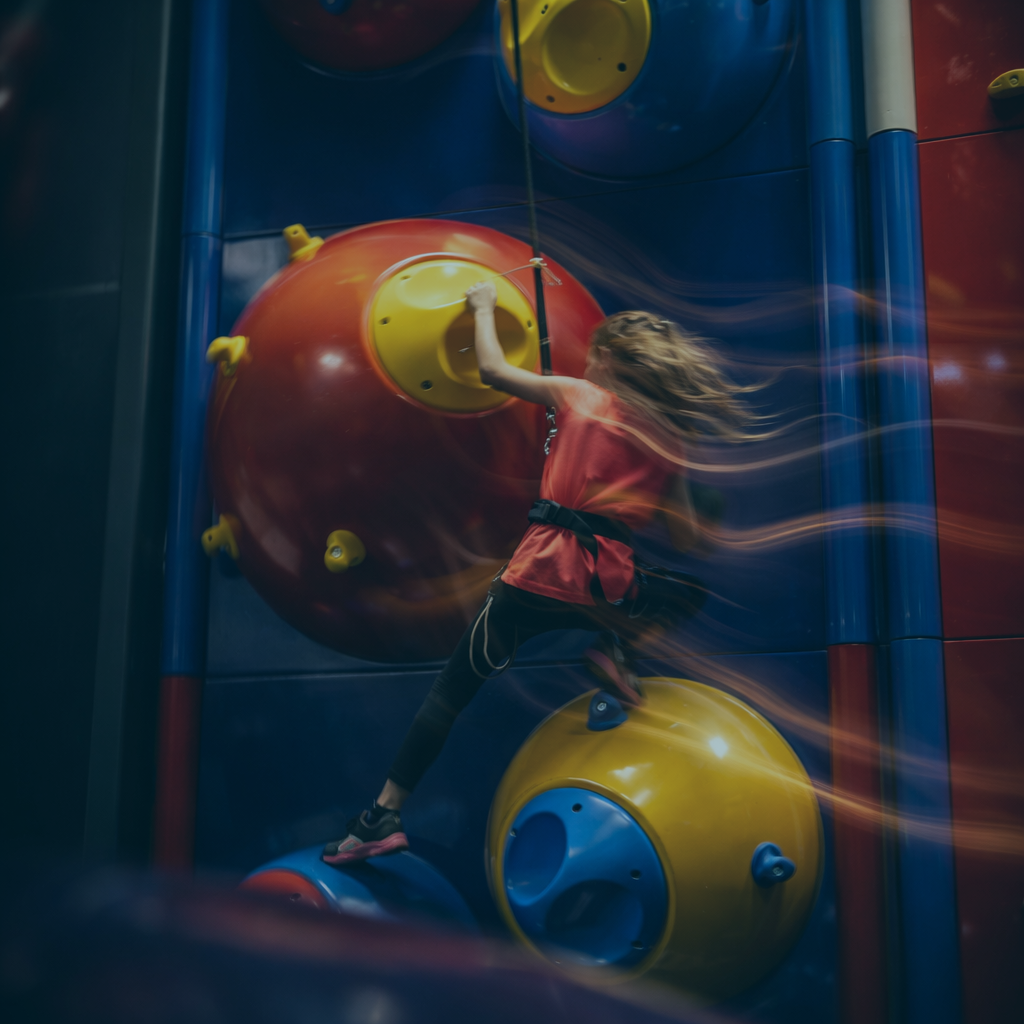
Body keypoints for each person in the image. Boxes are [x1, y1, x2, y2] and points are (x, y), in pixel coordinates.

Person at [323, 281, 757, 864]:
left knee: (451, 693)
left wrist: (482, 307)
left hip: (537, 574)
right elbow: (684, 538)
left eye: (593, 356)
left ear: (607, 358)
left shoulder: (580, 395)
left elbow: (492, 370)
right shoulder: (669, 439)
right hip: (606, 587)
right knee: (684, 591)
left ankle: (383, 814)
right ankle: (617, 649)